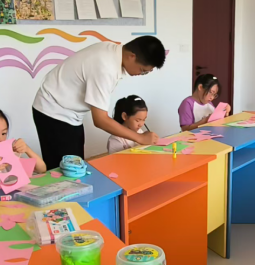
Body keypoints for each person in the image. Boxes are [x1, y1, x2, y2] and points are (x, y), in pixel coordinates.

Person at [33, 37, 166, 169]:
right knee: (66, 169)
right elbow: (100, 120)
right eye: (142, 70)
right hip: (53, 111)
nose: (141, 74)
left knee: (76, 164)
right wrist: (139, 138)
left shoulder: (112, 51)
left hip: (70, 113)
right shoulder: (105, 67)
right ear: (132, 56)